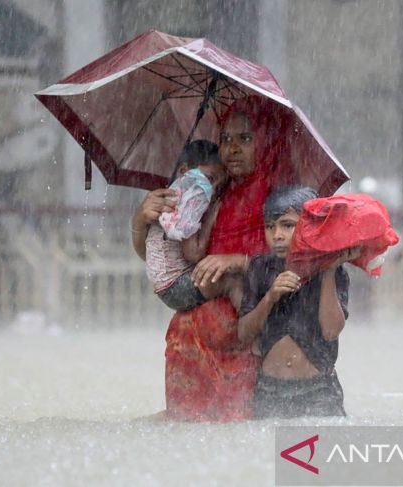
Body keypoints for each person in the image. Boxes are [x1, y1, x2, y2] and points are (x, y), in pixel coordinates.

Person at [131, 95, 296, 421]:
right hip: (190, 341)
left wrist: (239, 261)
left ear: (266, 142)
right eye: (226, 139)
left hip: (247, 338)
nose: (233, 148)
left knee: (243, 438)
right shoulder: (204, 192)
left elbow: (294, 263)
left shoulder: (279, 196)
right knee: (190, 443)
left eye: (245, 139)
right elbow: (161, 259)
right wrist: (140, 221)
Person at [237, 185, 361, 418]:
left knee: (320, 450)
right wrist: (270, 297)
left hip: (318, 391)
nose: (277, 236)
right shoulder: (260, 269)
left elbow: (331, 331)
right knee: (266, 452)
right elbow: (244, 334)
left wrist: (328, 271)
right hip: (269, 390)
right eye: (270, 227)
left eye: (287, 225)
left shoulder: (334, 270)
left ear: (309, 227)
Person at [145, 140, 244, 311]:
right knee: (234, 282)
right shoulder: (188, 202)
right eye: (210, 179)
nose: (212, 190)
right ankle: (251, 326)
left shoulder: (175, 192)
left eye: (219, 186)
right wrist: (211, 218)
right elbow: (194, 254)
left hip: (166, 284)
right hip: (176, 285)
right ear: (185, 171)